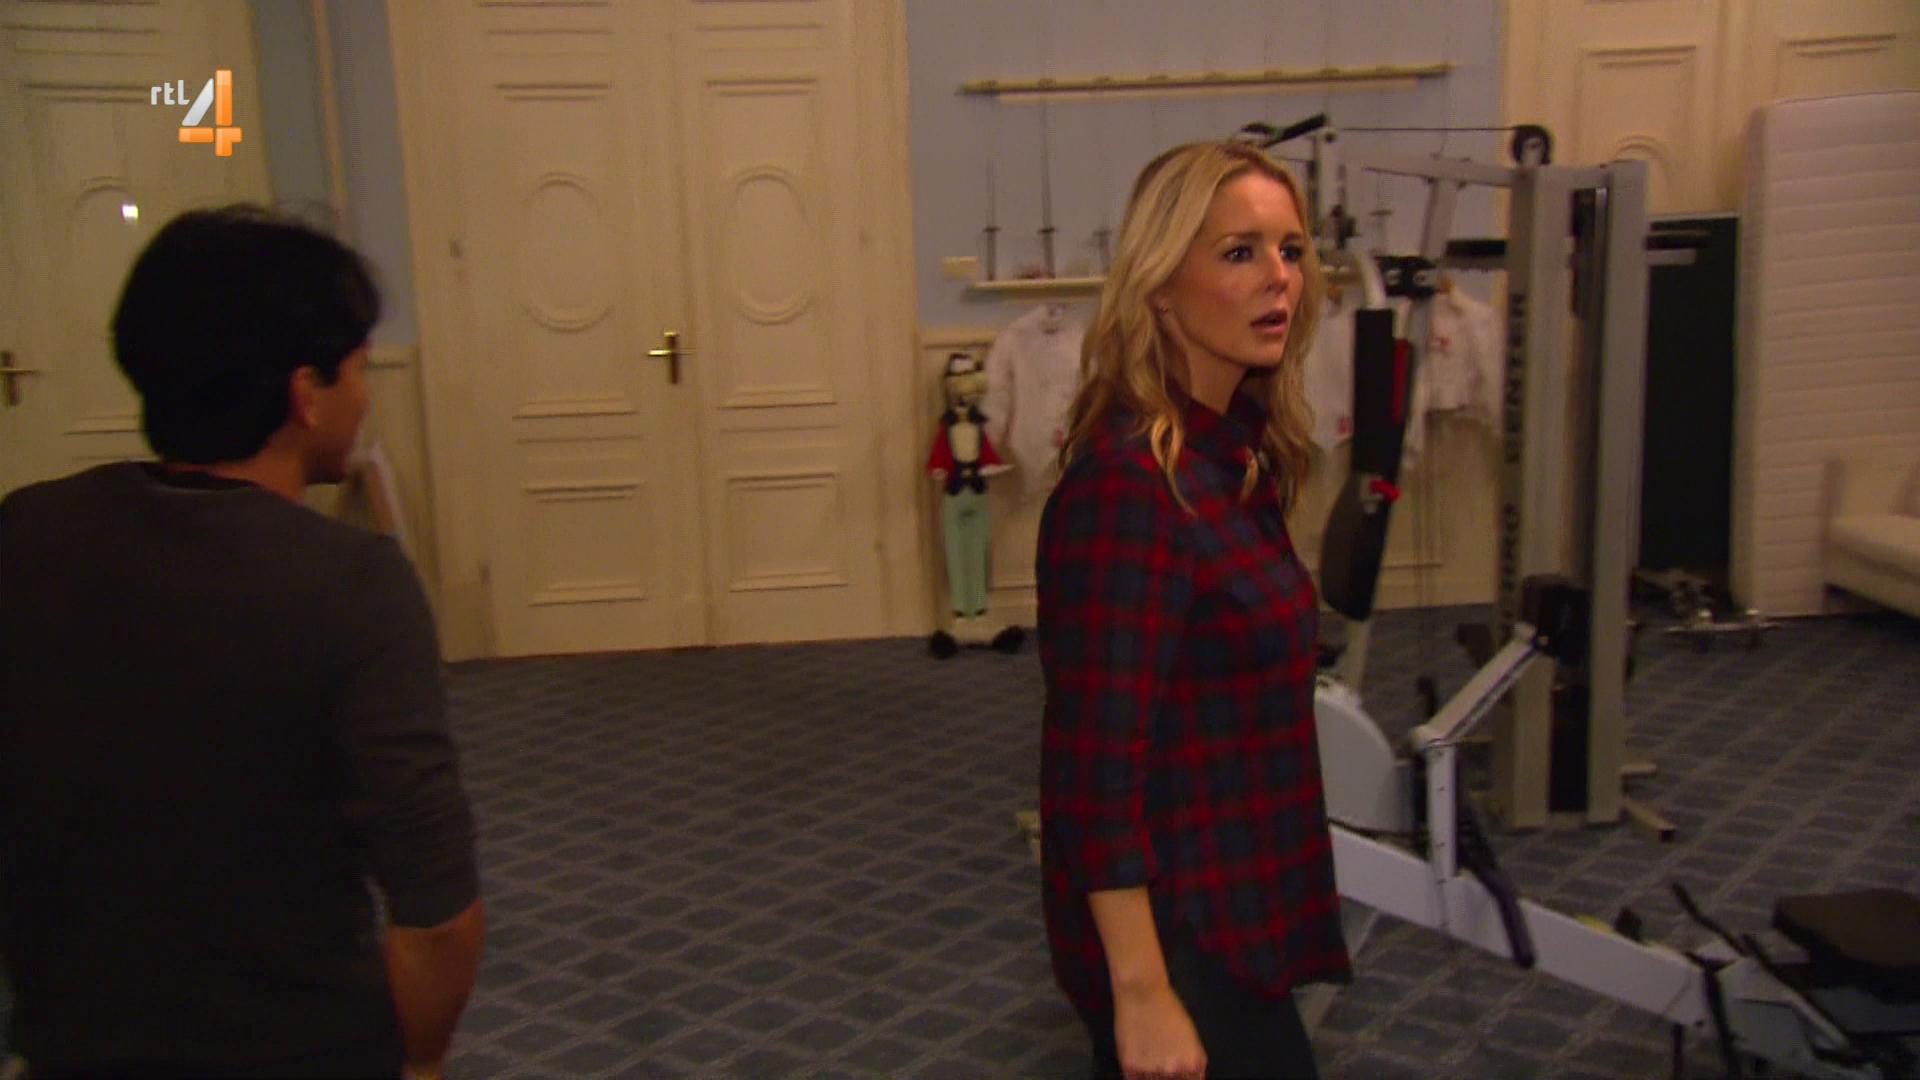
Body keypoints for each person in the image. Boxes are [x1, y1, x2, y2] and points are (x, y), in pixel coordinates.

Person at [0, 206, 485, 1079]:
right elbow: (438, 915)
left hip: (70, 1041)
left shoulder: (26, 532)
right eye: (358, 370)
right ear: (306, 394)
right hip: (296, 1045)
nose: (365, 395)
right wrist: (418, 1068)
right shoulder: (350, 583)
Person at [1036, 140, 1351, 1080]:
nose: (1280, 278)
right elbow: (1090, 775)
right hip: (1180, 939)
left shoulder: (1231, 458)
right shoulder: (1132, 486)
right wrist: (1141, 993)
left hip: (1238, 904)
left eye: (1291, 250)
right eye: (1240, 252)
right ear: (1162, 285)